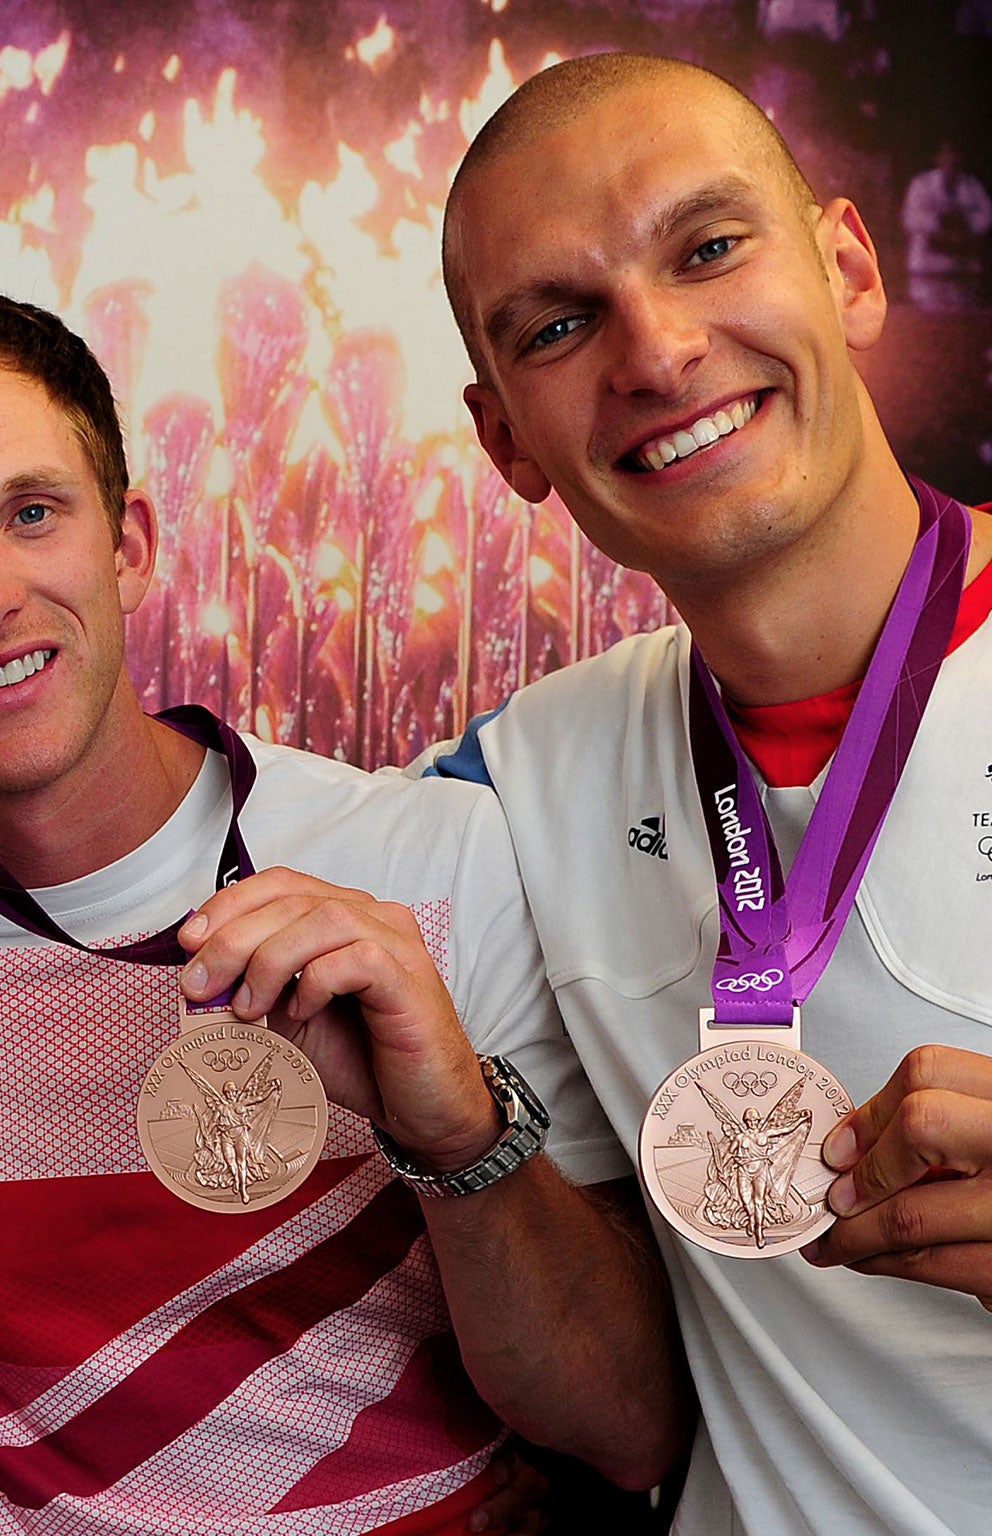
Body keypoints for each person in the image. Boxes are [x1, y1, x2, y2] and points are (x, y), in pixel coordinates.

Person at [0, 271, 685, 1533]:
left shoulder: (435, 857)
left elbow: (623, 1426)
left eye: (31, 513)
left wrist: (459, 1132)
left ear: (130, 543)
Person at [431, 51, 992, 1534]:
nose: (659, 351)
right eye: (560, 323)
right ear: (507, 446)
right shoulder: (515, 784)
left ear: (850, 266)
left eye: (709, 248)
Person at [901, 140, 992, 311]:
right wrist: (941, 226)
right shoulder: (922, 184)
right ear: (938, 158)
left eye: (955, 155)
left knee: (961, 323)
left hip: (963, 269)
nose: (951, 160)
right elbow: (910, 218)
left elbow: (987, 217)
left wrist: (964, 227)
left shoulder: (972, 186)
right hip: (927, 268)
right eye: (947, 154)